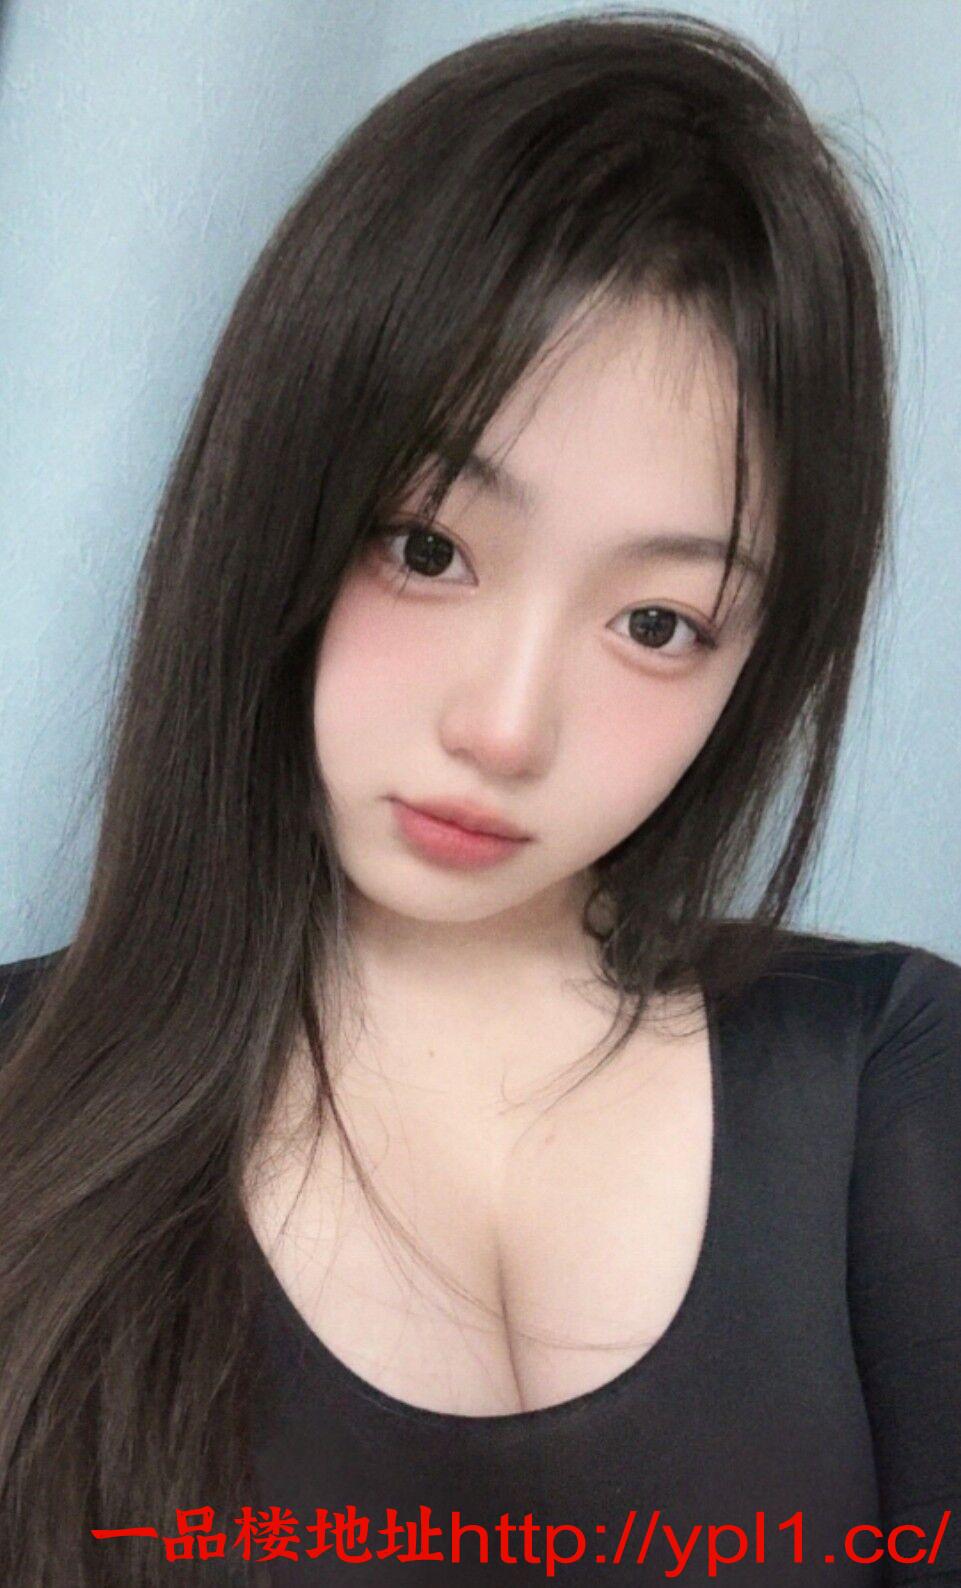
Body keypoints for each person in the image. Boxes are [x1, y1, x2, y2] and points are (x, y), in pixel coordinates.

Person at [1, 9, 959, 1586]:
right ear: (278, 501)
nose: (506, 730)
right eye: (428, 548)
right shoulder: (26, 1111)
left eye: (655, 623)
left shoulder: (883, 1081)